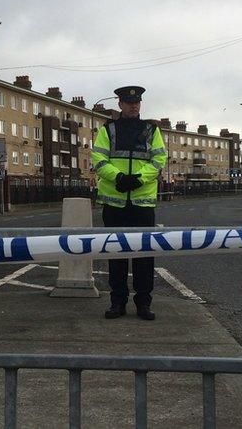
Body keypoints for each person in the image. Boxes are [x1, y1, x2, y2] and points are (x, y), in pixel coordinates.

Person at [91, 86, 167, 321]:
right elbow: (98, 159)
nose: (134, 105)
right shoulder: (108, 130)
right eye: (128, 102)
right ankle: (118, 302)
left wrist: (138, 179)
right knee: (117, 255)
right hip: (115, 203)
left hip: (142, 202)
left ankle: (144, 303)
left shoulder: (151, 130)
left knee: (144, 256)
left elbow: (159, 159)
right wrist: (119, 177)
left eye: (137, 102)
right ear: (120, 104)